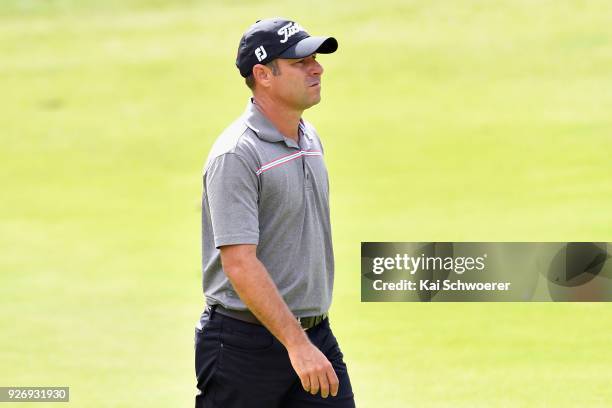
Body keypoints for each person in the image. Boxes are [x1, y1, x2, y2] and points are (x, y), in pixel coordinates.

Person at [195, 17, 355, 408]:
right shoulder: (237, 154)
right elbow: (239, 263)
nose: (316, 68)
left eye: (315, 58)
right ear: (263, 74)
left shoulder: (309, 137)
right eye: (301, 62)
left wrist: (305, 342)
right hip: (243, 347)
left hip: (314, 334)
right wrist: (297, 345)